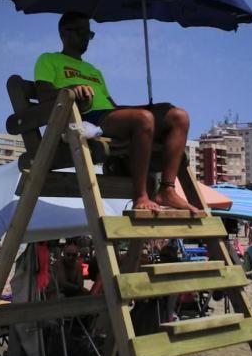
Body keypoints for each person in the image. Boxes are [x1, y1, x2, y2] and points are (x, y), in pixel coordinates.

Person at [34, 12, 201, 215]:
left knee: (177, 116)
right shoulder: (49, 60)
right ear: (64, 33)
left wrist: (149, 108)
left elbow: (112, 106)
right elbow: (43, 94)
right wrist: (70, 92)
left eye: (89, 33)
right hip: (82, 119)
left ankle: (167, 189)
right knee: (143, 119)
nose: (86, 38)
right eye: (81, 32)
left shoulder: (93, 70)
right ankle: (140, 195)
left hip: (107, 115)